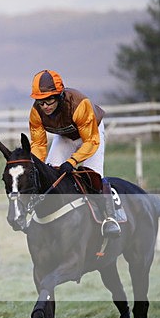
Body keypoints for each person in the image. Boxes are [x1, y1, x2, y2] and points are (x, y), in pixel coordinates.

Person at [28, 69, 121, 237]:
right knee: (49, 172)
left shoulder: (79, 104)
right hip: (64, 137)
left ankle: (110, 218)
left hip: (91, 135)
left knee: (93, 176)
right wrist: (35, 164)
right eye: (40, 102)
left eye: (49, 100)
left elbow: (91, 141)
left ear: (59, 95)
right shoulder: (36, 112)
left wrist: (72, 162)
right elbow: (38, 144)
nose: (45, 106)